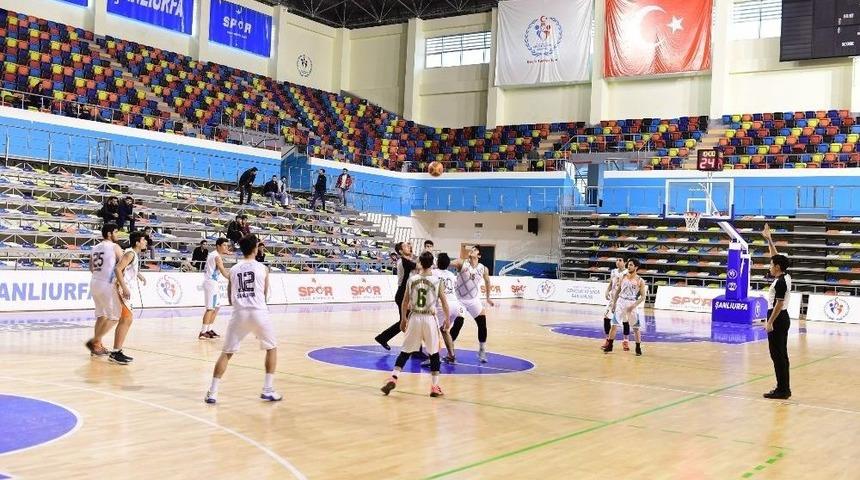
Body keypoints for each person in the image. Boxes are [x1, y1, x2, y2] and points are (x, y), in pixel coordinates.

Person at [205, 234, 282, 404]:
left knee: (226, 353)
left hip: (239, 313)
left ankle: (212, 392)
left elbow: (230, 297)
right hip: (259, 312)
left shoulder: (233, 269)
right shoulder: (263, 269)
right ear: (255, 249)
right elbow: (264, 294)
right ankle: (268, 389)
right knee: (272, 348)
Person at [381, 251, 450, 398]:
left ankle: (393, 377)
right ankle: (434, 386)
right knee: (434, 353)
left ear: (419, 262)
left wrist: (403, 319)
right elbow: (444, 302)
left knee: (405, 351)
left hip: (414, 317)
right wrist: (448, 319)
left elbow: (405, 301)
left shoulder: (412, 279)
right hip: (429, 319)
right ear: (432, 264)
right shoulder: (437, 281)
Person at [762, 223, 792, 399]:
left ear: (778, 268)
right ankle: (783, 387)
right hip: (782, 318)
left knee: (777, 355)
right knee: (781, 355)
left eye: (772, 265)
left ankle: (782, 389)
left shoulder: (781, 282)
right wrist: (769, 239)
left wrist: (770, 321)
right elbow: (776, 257)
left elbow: (779, 304)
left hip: (778, 318)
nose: (770, 266)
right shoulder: (785, 275)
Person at [450, 246, 495, 363]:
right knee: (458, 323)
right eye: (472, 249)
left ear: (479, 256)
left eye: (475, 250)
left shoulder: (483, 269)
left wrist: (488, 298)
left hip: (474, 300)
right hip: (459, 299)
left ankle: (482, 350)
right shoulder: (461, 263)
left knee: (482, 323)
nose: (472, 250)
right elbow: (447, 263)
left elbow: (487, 282)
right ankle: (450, 351)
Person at [110, 231, 149, 365]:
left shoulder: (133, 254)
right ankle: (115, 352)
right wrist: (124, 287)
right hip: (122, 288)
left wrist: (139, 275)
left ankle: (117, 350)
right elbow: (117, 269)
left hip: (124, 287)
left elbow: (129, 268)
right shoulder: (130, 253)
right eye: (144, 240)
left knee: (125, 319)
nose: (146, 242)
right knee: (126, 319)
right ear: (137, 242)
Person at [85, 224, 123, 357]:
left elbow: (91, 267)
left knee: (101, 315)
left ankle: (97, 346)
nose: (118, 235)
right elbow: (123, 265)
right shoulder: (114, 247)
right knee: (115, 316)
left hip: (95, 282)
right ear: (109, 234)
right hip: (107, 283)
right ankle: (94, 341)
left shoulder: (95, 247)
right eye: (116, 232)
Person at [374, 242, 417, 350]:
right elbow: (420, 267)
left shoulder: (405, 260)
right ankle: (413, 349)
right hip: (403, 294)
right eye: (406, 246)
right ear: (401, 251)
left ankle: (382, 337)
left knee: (407, 321)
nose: (409, 247)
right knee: (408, 321)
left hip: (406, 293)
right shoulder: (404, 261)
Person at [604, 259, 647, 356]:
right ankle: (610, 345)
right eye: (628, 265)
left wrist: (634, 305)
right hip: (621, 301)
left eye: (631, 265)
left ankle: (638, 347)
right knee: (614, 324)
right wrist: (614, 303)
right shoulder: (623, 276)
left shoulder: (640, 280)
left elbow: (643, 297)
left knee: (636, 328)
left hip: (631, 302)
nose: (628, 266)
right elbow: (618, 290)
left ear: (636, 267)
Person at [199, 238, 230, 340]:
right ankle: (203, 332)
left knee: (216, 307)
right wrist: (233, 278)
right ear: (218, 246)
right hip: (210, 283)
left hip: (213, 282)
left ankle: (209, 329)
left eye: (227, 245)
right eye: (224, 245)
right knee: (210, 308)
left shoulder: (214, 255)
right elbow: (223, 271)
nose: (226, 247)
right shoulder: (216, 256)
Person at [433, 253, 461, 364]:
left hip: (443, 304)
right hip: (455, 304)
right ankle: (451, 356)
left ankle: (434, 358)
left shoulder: (433, 273)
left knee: (433, 331)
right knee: (444, 330)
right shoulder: (451, 274)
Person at [601, 258, 629, 351]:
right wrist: (607, 291)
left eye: (620, 260)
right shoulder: (613, 271)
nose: (618, 261)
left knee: (625, 321)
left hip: (622, 300)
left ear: (624, 262)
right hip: (613, 300)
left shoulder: (627, 272)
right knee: (606, 318)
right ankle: (607, 340)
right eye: (616, 260)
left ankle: (625, 341)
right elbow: (611, 283)